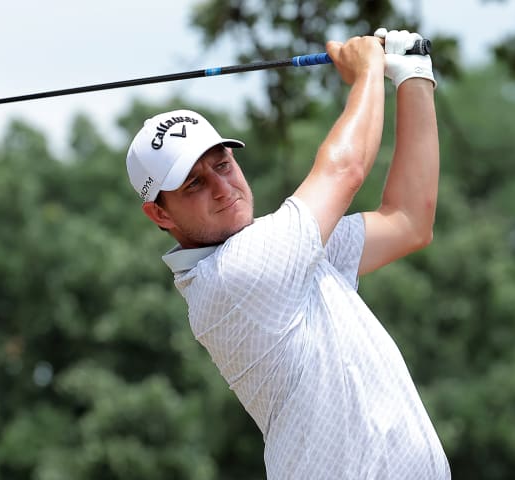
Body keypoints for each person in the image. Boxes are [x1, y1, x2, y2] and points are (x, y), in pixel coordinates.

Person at [126, 27, 449, 479]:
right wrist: (368, 73)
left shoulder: (282, 253)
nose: (223, 188)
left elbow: (408, 221)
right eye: (195, 183)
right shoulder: (237, 272)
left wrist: (414, 75)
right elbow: (346, 169)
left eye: (222, 164)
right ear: (160, 215)